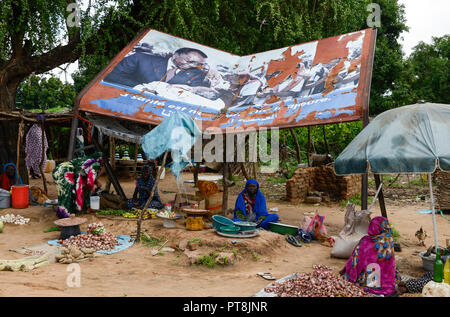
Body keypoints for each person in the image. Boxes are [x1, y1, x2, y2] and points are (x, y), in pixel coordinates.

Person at [340, 216, 399, 296]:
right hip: (388, 280)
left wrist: (351, 274)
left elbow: (356, 260)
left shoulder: (366, 241)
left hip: (370, 281)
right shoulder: (389, 239)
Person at [104, 47, 212, 89]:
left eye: (197, 64)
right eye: (189, 61)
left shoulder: (197, 74)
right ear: (175, 55)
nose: (192, 66)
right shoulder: (141, 59)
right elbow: (112, 75)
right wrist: (138, 87)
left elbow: (192, 92)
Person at [52, 153, 103, 218]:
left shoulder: (88, 160)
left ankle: (71, 211)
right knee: (66, 194)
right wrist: (96, 184)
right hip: (64, 172)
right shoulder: (96, 164)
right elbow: (90, 182)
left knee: (68, 193)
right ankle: (64, 219)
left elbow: (85, 176)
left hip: (59, 170)